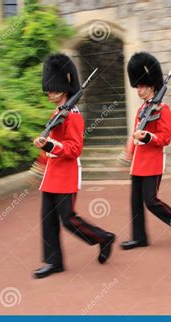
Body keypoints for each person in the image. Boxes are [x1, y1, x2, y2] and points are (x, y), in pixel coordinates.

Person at [32, 53, 115, 279]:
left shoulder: (73, 115)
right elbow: (50, 141)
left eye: (53, 88)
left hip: (66, 174)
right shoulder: (57, 112)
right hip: (51, 175)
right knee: (48, 220)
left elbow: (74, 148)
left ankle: (103, 238)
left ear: (63, 88)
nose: (49, 92)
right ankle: (53, 262)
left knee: (68, 219)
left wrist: (50, 146)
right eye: (48, 89)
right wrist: (40, 163)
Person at [120, 52, 171, 250]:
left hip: (153, 161)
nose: (139, 90)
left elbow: (165, 138)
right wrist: (130, 149)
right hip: (138, 162)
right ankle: (139, 237)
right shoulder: (141, 110)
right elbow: (135, 132)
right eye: (137, 86)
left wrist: (148, 138)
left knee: (150, 201)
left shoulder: (163, 109)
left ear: (152, 86)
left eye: (142, 86)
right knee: (135, 202)